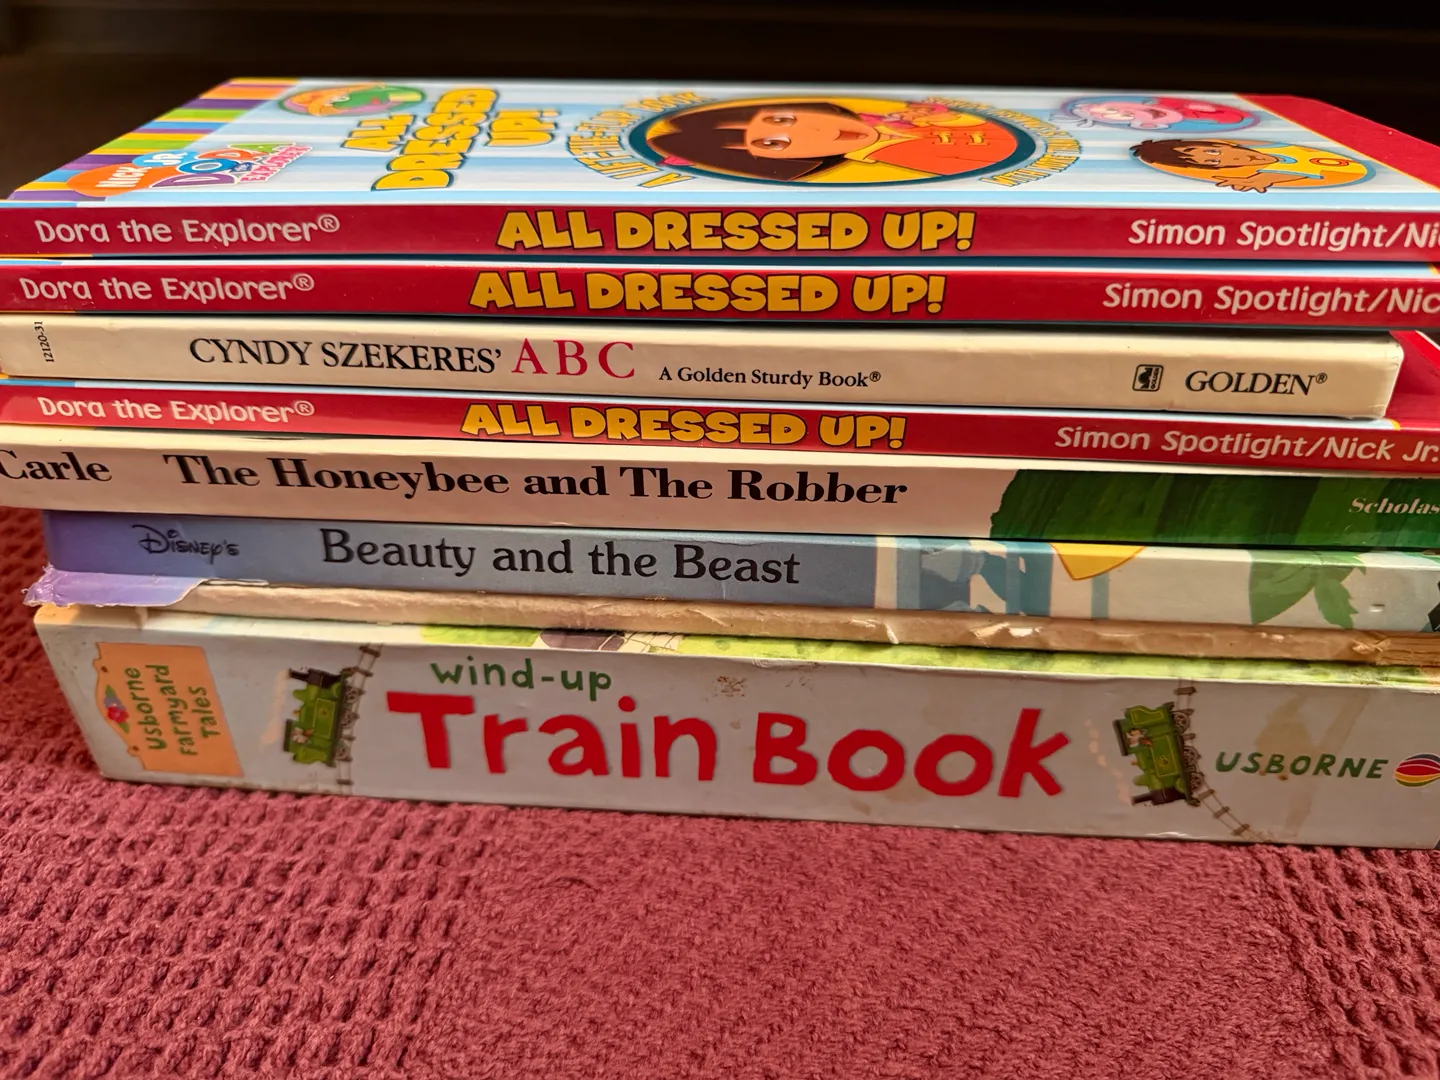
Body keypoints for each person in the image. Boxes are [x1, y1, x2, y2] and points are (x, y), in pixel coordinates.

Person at [647, 99, 1022, 182]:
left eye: (784, 119)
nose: (813, 131)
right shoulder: (912, 158)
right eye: (775, 144)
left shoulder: (916, 117)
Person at [1131, 138, 1372, 191]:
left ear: (1222, 143)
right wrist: (1263, 179)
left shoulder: (1277, 148)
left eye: (1214, 151)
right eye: (1214, 162)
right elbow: (1279, 176)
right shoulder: (1266, 172)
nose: (1231, 159)